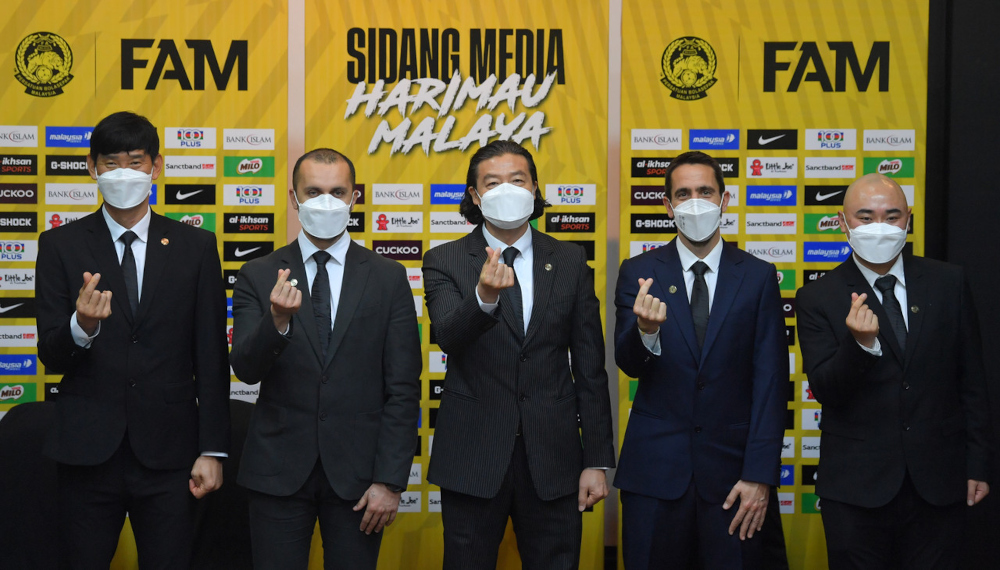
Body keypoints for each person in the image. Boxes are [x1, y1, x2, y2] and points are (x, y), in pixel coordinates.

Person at [35, 111, 230, 568]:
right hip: (87, 452)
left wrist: (212, 449)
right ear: (92, 167)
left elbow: (210, 355)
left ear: (156, 167)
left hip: (170, 453)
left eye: (135, 161)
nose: (124, 173)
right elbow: (50, 354)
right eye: (111, 162)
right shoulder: (60, 245)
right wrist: (82, 326)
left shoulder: (195, 247)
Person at [422, 140, 616, 569]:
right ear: (475, 196)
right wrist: (484, 297)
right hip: (472, 457)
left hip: (555, 458)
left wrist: (598, 460)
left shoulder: (569, 260)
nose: (506, 190)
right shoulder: (445, 259)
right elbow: (448, 336)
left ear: (534, 189)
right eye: (492, 183)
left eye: (517, 180)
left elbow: (590, 367)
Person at [230, 148, 420, 569]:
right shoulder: (258, 274)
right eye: (313, 192)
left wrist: (390, 481)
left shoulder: (388, 277)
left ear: (354, 198)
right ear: (294, 198)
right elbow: (245, 367)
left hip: (360, 478)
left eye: (337, 192)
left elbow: (404, 388)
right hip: (276, 471)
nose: (326, 202)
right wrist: (277, 321)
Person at [796, 173, 991, 569]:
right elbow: (827, 389)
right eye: (866, 217)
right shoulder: (817, 296)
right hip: (855, 490)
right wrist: (860, 346)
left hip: (939, 483)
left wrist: (979, 465)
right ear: (843, 222)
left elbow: (971, 381)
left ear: (908, 220)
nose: (879, 227)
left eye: (892, 216)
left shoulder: (948, 282)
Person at [613, 150, 788, 568]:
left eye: (705, 192)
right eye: (684, 194)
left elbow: (771, 383)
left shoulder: (758, 276)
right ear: (668, 205)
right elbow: (628, 363)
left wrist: (759, 474)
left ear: (724, 200)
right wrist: (646, 331)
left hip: (734, 478)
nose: (695, 203)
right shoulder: (638, 271)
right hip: (655, 475)